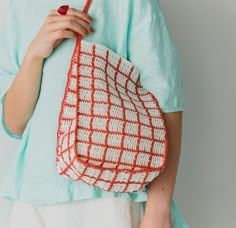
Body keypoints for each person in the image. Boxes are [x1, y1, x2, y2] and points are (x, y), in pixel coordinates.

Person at [0, 0, 189, 227]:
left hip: (109, 200)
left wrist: (159, 210)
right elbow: (14, 124)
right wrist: (34, 54)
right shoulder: (18, 5)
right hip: (33, 200)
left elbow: (167, 103)